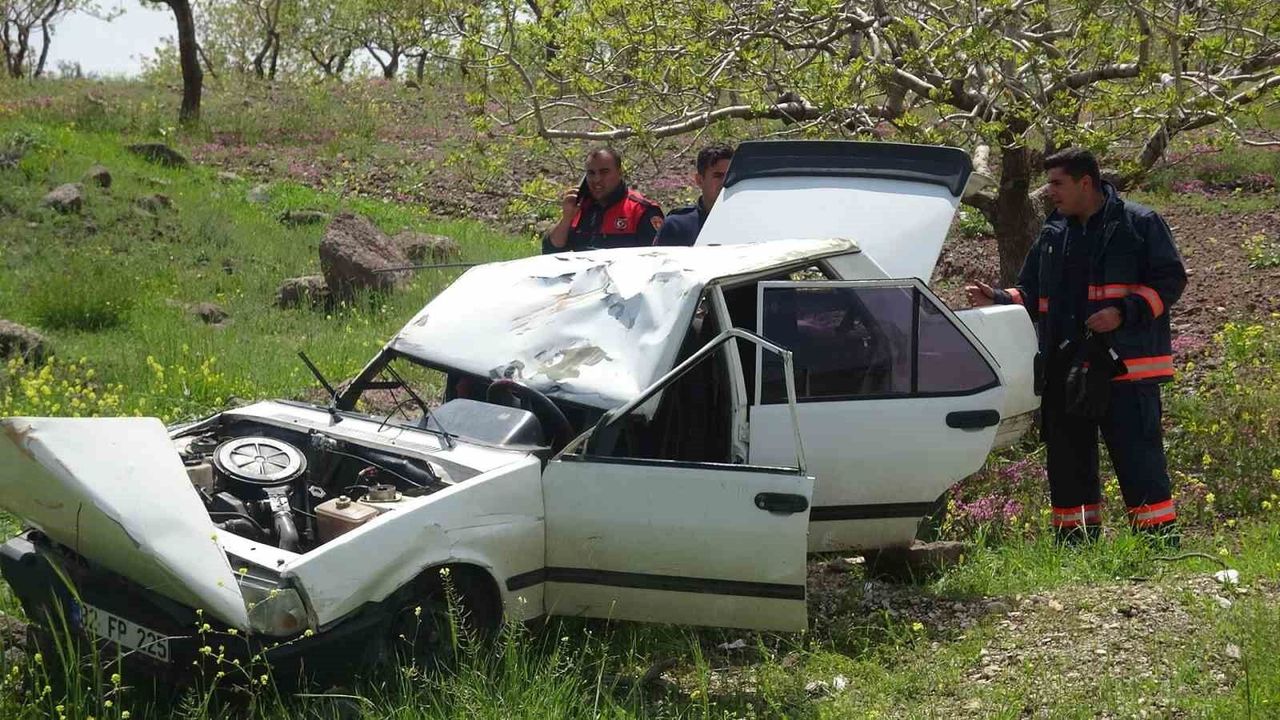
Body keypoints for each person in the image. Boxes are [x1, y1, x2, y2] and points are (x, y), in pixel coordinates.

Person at [966, 148, 1187, 544]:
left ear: (1085, 182)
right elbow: (1032, 293)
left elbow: (1170, 281)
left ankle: (1159, 547)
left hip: (1126, 371)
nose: (1049, 192)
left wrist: (1123, 312)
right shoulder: (1054, 233)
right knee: (1068, 466)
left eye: (1056, 183)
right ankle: (1076, 549)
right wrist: (998, 297)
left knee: (1140, 462)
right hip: (1066, 370)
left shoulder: (1139, 224)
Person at [542, 147, 664, 253]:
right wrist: (566, 218)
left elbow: (659, 259)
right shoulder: (578, 207)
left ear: (619, 173)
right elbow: (551, 251)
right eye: (591, 173)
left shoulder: (640, 210)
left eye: (604, 172)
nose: (597, 179)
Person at [654, 144, 734, 246]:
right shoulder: (677, 226)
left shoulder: (747, 222)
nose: (725, 182)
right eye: (718, 176)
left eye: (729, 175)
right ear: (699, 180)